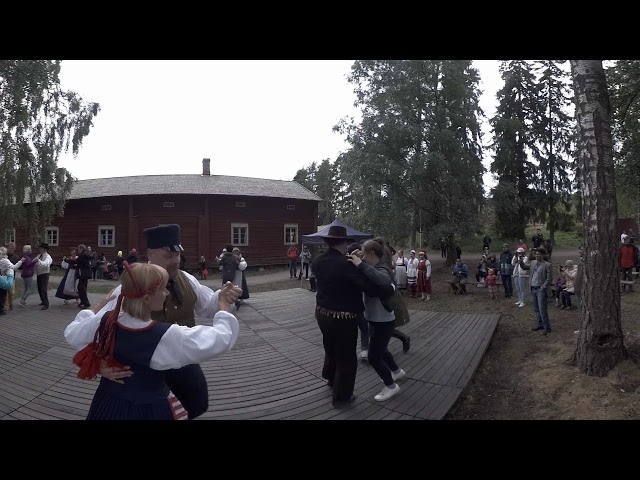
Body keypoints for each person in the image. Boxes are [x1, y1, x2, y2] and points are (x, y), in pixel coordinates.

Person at [74, 224, 242, 420]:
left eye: (177, 255)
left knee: (197, 402)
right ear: (150, 254)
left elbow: (207, 307)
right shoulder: (128, 291)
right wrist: (101, 363)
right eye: (168, 256)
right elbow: (94, 328)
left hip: (183, 360)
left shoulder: (187, 279)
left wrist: (221, 297)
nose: (175, 261)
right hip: (143, 373)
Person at [311, 225, 394, 407]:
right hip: (343, 318)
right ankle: (342, 397)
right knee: (347, 358)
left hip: (321, 314)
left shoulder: (317, 260)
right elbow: (370, 287)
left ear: (327, 241)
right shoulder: (347, 264)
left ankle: (331, 379)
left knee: (330, 348)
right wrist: (386, 289)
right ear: (344, 242)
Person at [348, 239, 404, 402]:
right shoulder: (373, 267)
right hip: (375, 319)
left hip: (383, 321)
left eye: (364, 254)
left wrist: (361, 264)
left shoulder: (383, 269)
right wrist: (356, 259)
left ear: (372, 254)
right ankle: (396, 371)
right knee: (381, 349)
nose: (362, 257)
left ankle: (391, 386)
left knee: (374, 356)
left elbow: (384, 281)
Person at [519, 248, 553, 335]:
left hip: (540, 289)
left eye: (538, 254)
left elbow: (549, 278)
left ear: (542, 255)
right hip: (533, 288)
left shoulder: (547, 265)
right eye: (536, 254)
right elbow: (525, 267)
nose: (537, 256)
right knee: (536, 309)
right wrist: (521, 261)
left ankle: (547, 327)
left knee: (542, 309)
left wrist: (543, 287)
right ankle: (540, 324)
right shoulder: (533, 262)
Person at [65, 244, 93, 308]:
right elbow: (80, 263)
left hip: (84, 274)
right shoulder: (86, 254)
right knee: (80, 288)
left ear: (81, 249)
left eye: (78, 249)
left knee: (82, 288)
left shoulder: (83, 255)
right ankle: (83, 301)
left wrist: (66, 260)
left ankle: (86, 303)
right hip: (85, 273)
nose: (78, 251)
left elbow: (76, 261)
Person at [35, 242, 53, 310]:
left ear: (45, 249)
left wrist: (38, 261)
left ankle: (46, 304)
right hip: (39, 273)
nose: (40, 249)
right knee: (39, 288)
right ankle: (42, 301)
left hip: (45, 274)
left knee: (43, 289)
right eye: (40, 248)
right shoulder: (39, 255)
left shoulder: (48, 257)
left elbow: (45, 264)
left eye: (41, 248)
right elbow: (34, 262)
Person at [4, 242, 20, 312]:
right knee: (5, 293)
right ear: (7, 248)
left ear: (14, 249)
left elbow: (19, 266)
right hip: (4, 277)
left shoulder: (16, 257)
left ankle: (11, 303)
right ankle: (5, 306)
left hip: (12, 278)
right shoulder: (3, 256)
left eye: (12, 248)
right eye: (10, 248)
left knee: (11, 292)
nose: (11, 249)